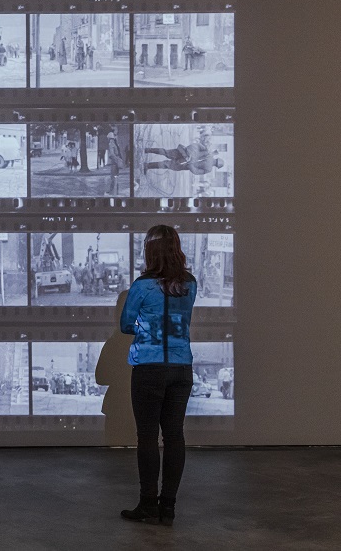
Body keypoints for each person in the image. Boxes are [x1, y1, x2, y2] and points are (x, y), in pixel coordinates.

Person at [119, 225, 198, 526]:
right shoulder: (190, 283)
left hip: (150, 368)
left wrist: (145, 326)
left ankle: (148, 504)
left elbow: (127, 325)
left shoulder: (142, 285)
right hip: (181, 367)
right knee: (175, 435)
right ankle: (169, 508)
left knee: (148, 437)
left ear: (149, 251)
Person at [143, 144, 223, 175]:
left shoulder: (209, 153)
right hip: (184, 164)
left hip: (184, 152)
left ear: (217, 159)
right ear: (217, 166)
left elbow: (197, 145)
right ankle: (147, 165)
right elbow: (196, 172)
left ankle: (147, 150)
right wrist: (190, 164)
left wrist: (189, 152)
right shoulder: (209, 169)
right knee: (166, 165)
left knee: (166, 152)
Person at [106, 131, 127, 196]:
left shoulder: (111, 144)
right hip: (116, 163)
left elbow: (112, 154)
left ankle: (112, 191)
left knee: (113, 177)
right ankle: (115, 191)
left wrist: (116, 160)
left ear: (109, 138)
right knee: (116, 177)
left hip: (114, 163)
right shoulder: (115, 143)